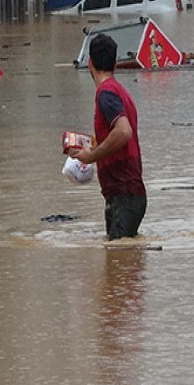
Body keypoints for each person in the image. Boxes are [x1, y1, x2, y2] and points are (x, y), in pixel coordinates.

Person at [70, 33, 147, 240]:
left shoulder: (106, 92)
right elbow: (119, 134)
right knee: (118, 263)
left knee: (120, 258)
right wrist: (91, 146)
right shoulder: (119, 92)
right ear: (115, 63)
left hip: (125, 193)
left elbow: (123, 131)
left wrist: (91, 155)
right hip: (123, 192)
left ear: (89, 63)